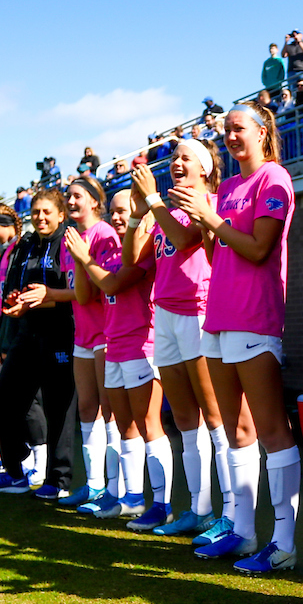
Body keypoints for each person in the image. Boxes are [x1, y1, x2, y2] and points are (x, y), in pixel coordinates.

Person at [179, 101, 300, 575]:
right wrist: (208, 224)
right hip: (219, 318)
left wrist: (210, 221)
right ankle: (244, 531)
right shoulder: (227, 186)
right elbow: (220, 252)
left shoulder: (275, 179)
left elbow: (258, 248)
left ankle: (284, 542)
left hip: (255, 317)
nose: (230, 136)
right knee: (237, 431)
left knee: (271, 430)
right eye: (226, 130)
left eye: (238, 128)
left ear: (262, 132)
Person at [124, 141, 233, 540]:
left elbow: (186, 241)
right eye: (174, 159)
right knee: (186, 420)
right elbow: (133, 262)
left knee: (215, 414)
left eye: (186, 158)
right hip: (165, 314)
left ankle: (229, 513)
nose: (177, 163)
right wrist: (138, 216)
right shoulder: (162, 210)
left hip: (198, 310)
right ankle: (199, 508)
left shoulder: (209, 201)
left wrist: (152, 199)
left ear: (204, 169)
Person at [65, 191, 169, 523]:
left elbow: (112, 285)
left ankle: (162, 505)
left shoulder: (144, 246)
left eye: (123, 211)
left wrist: (85, 259)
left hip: (142, 343)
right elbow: (88, 294)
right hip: (114, 344)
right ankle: (132, 497)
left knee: (149, 424)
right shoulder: (114, 252)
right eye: (113, 212)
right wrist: (87, 261)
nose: (118, 217)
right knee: (124, 425)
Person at [0, 194, 77, 497]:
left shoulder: (68, 241)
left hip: (62, 333)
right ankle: (15, 472)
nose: (40, 217)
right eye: (36, 212)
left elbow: (79, 292)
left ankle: (57, 481)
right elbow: (14, 286)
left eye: (47, 212)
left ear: (60, 215)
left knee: (58, 408)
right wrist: (17, 302)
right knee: (3, 401)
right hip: (26, 331)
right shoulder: (26, 245)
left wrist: (45, 299)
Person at [54, 175, 123, 511]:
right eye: (68, 196)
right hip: (83, 333)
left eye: (77, 196)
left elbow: (100, 289)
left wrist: (83, 258)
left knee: (110, 411)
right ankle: (94, 484)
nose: (70, 201)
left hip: (107, 332)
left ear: (95, 201)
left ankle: (116, 488)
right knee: (86, 408)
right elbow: (80, 294)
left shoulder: (104, 234)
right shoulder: (75, 238)